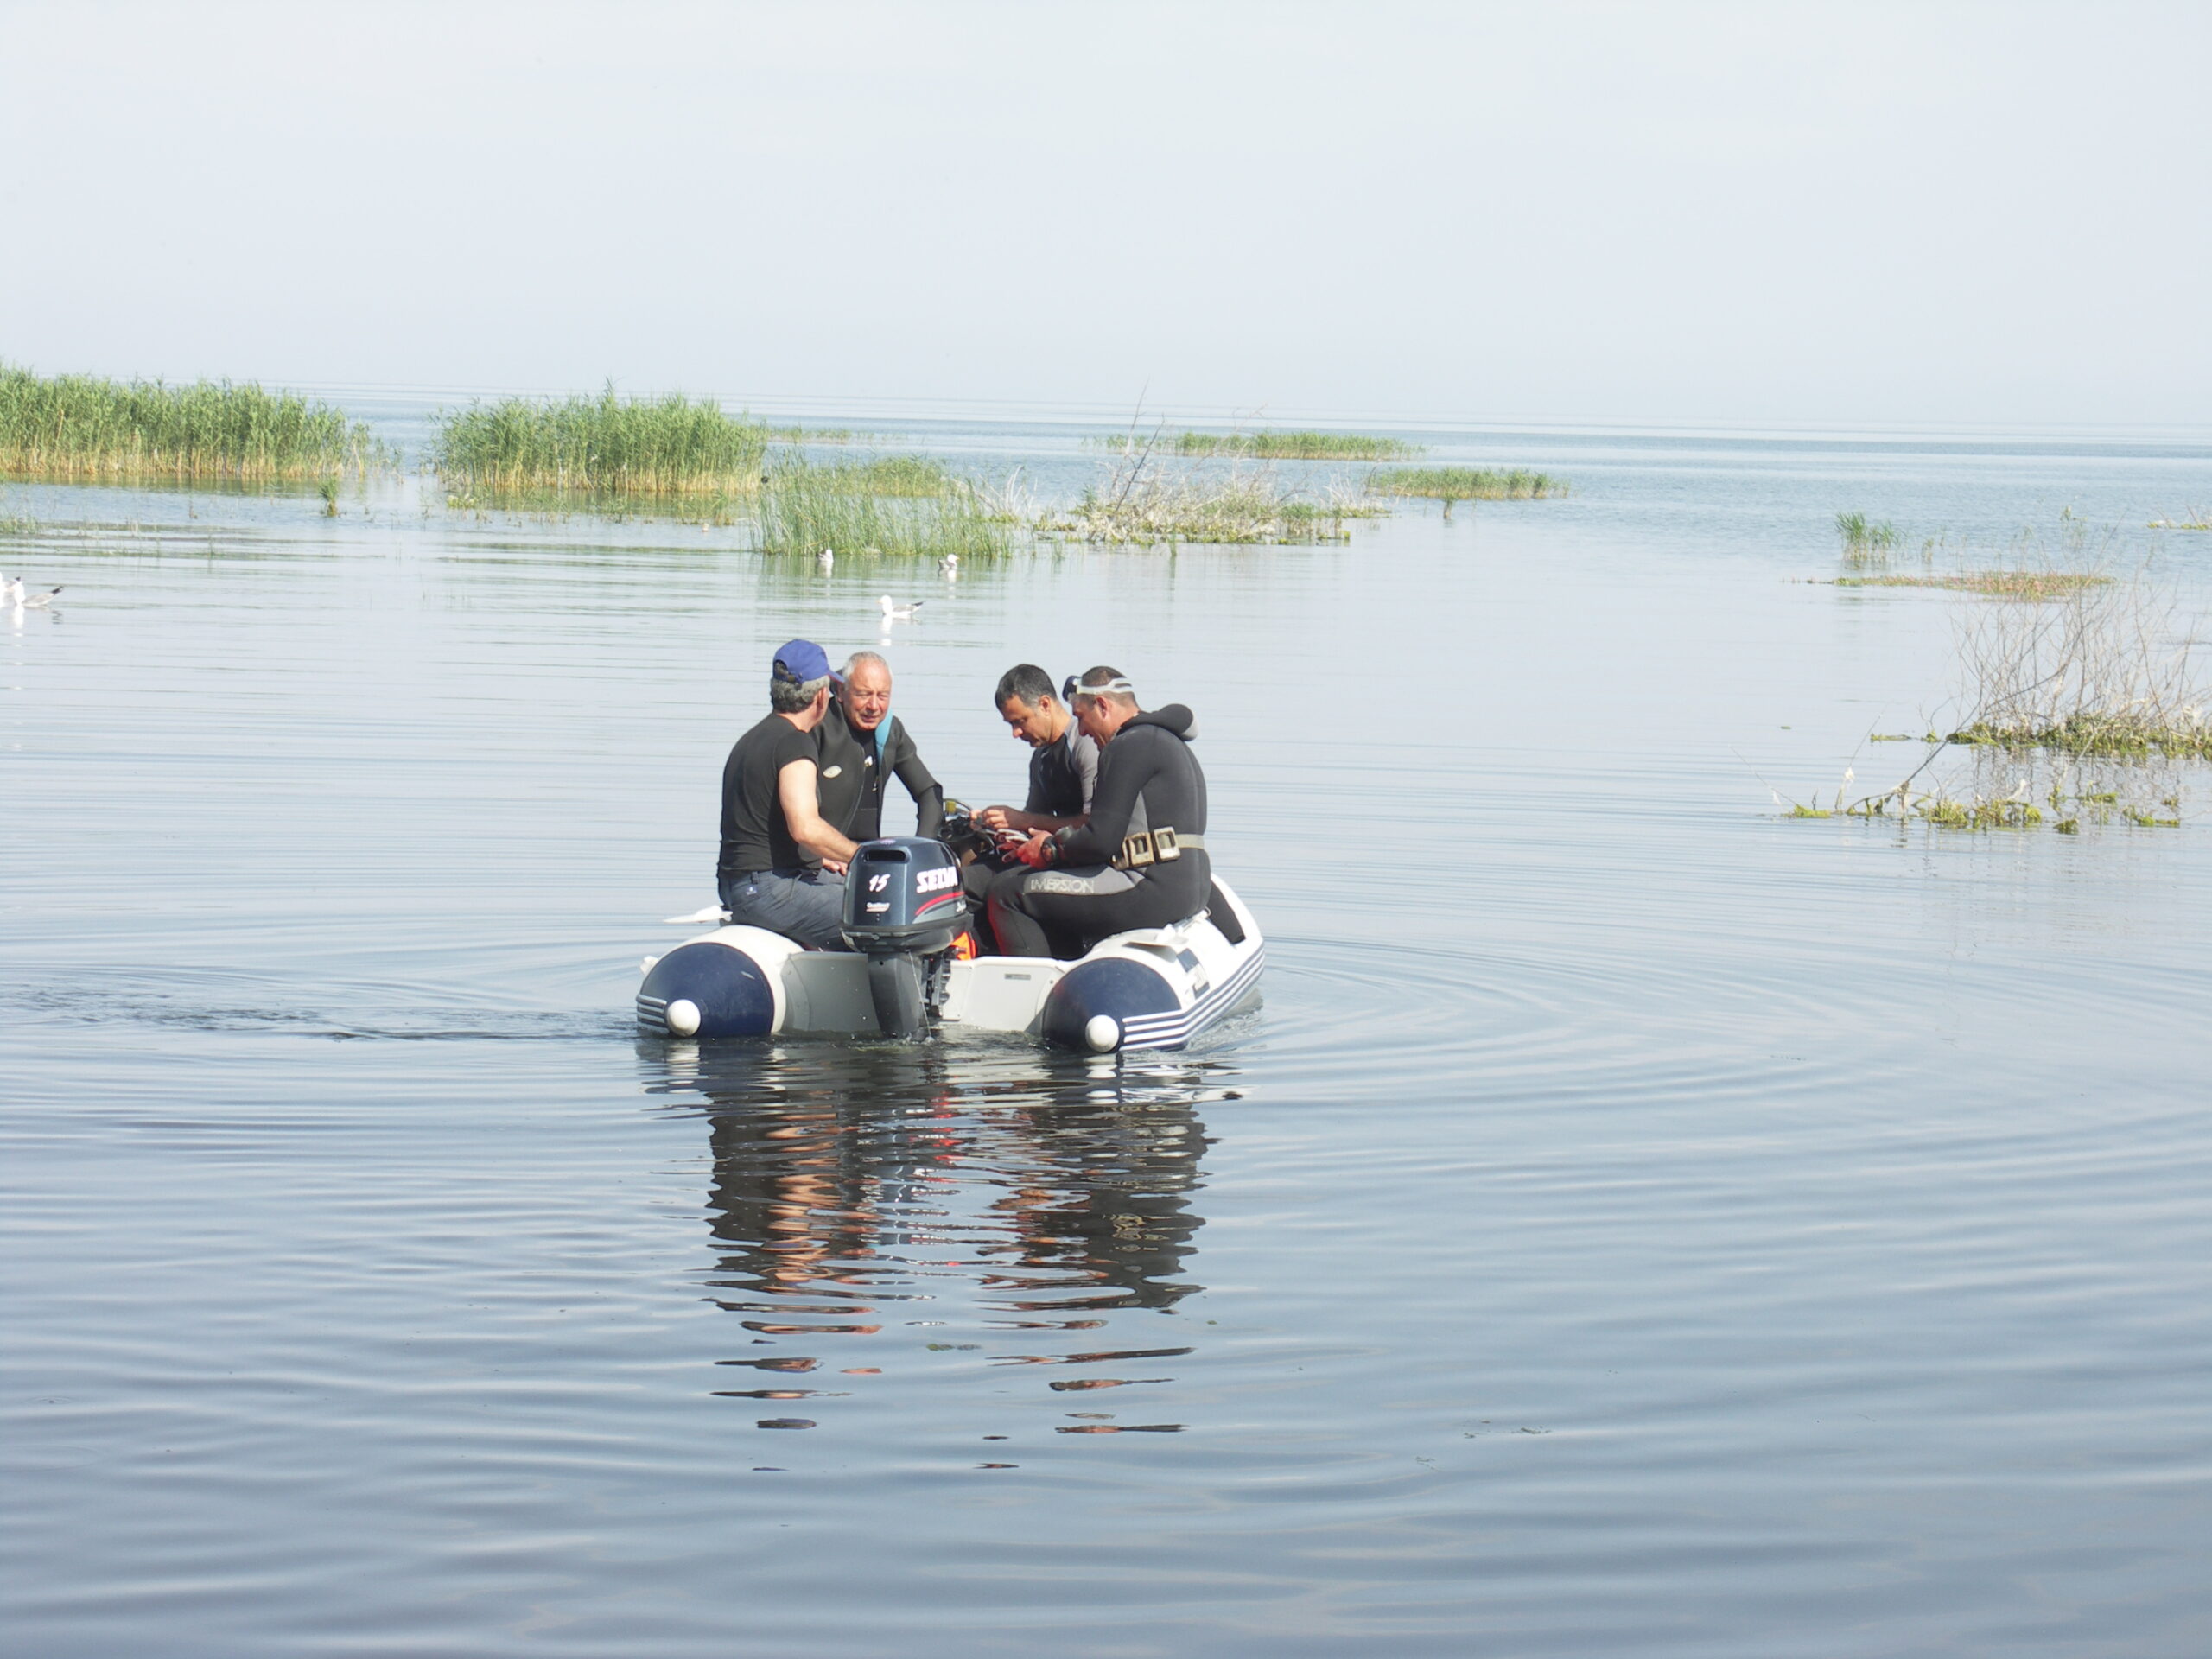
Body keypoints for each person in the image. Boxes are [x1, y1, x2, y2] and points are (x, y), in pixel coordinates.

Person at [986, 666, 1211, 959]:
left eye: (1080, 717)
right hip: (1191, 888)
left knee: (1007, 893)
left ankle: (1039, 992)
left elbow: (1100, 840)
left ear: (1102, 706)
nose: (1081, 731)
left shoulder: (1126, 747)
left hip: (1149, 890)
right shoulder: (1169, 741)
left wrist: (1050, 850)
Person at [715, 639, 861, 950]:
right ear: (821, 696)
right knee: (880, 910)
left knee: (849, 886)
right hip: (767, 890)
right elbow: (804, 827)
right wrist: (862, 857)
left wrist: (820, 856)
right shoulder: (795, 743)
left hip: (735, 885)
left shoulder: (750, 740)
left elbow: (763, 829)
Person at [816, 649, 944, 844]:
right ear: (841, 691)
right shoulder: (818, 728)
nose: (874, 706)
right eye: (864, 694)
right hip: (821, 856)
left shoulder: (889, 730)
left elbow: (928, 792)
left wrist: (923, 847)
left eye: (882, 696)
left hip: (867, 854)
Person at [976, 664, 1098, 836]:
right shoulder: (1040, 758)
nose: (1015, 733)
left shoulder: (1085, 743)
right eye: (1011, 724)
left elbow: (1095, 825)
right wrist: (992, 823)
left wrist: (1024, 821)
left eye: (1020, 721)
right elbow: (1033, 819)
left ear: (1045, 705)